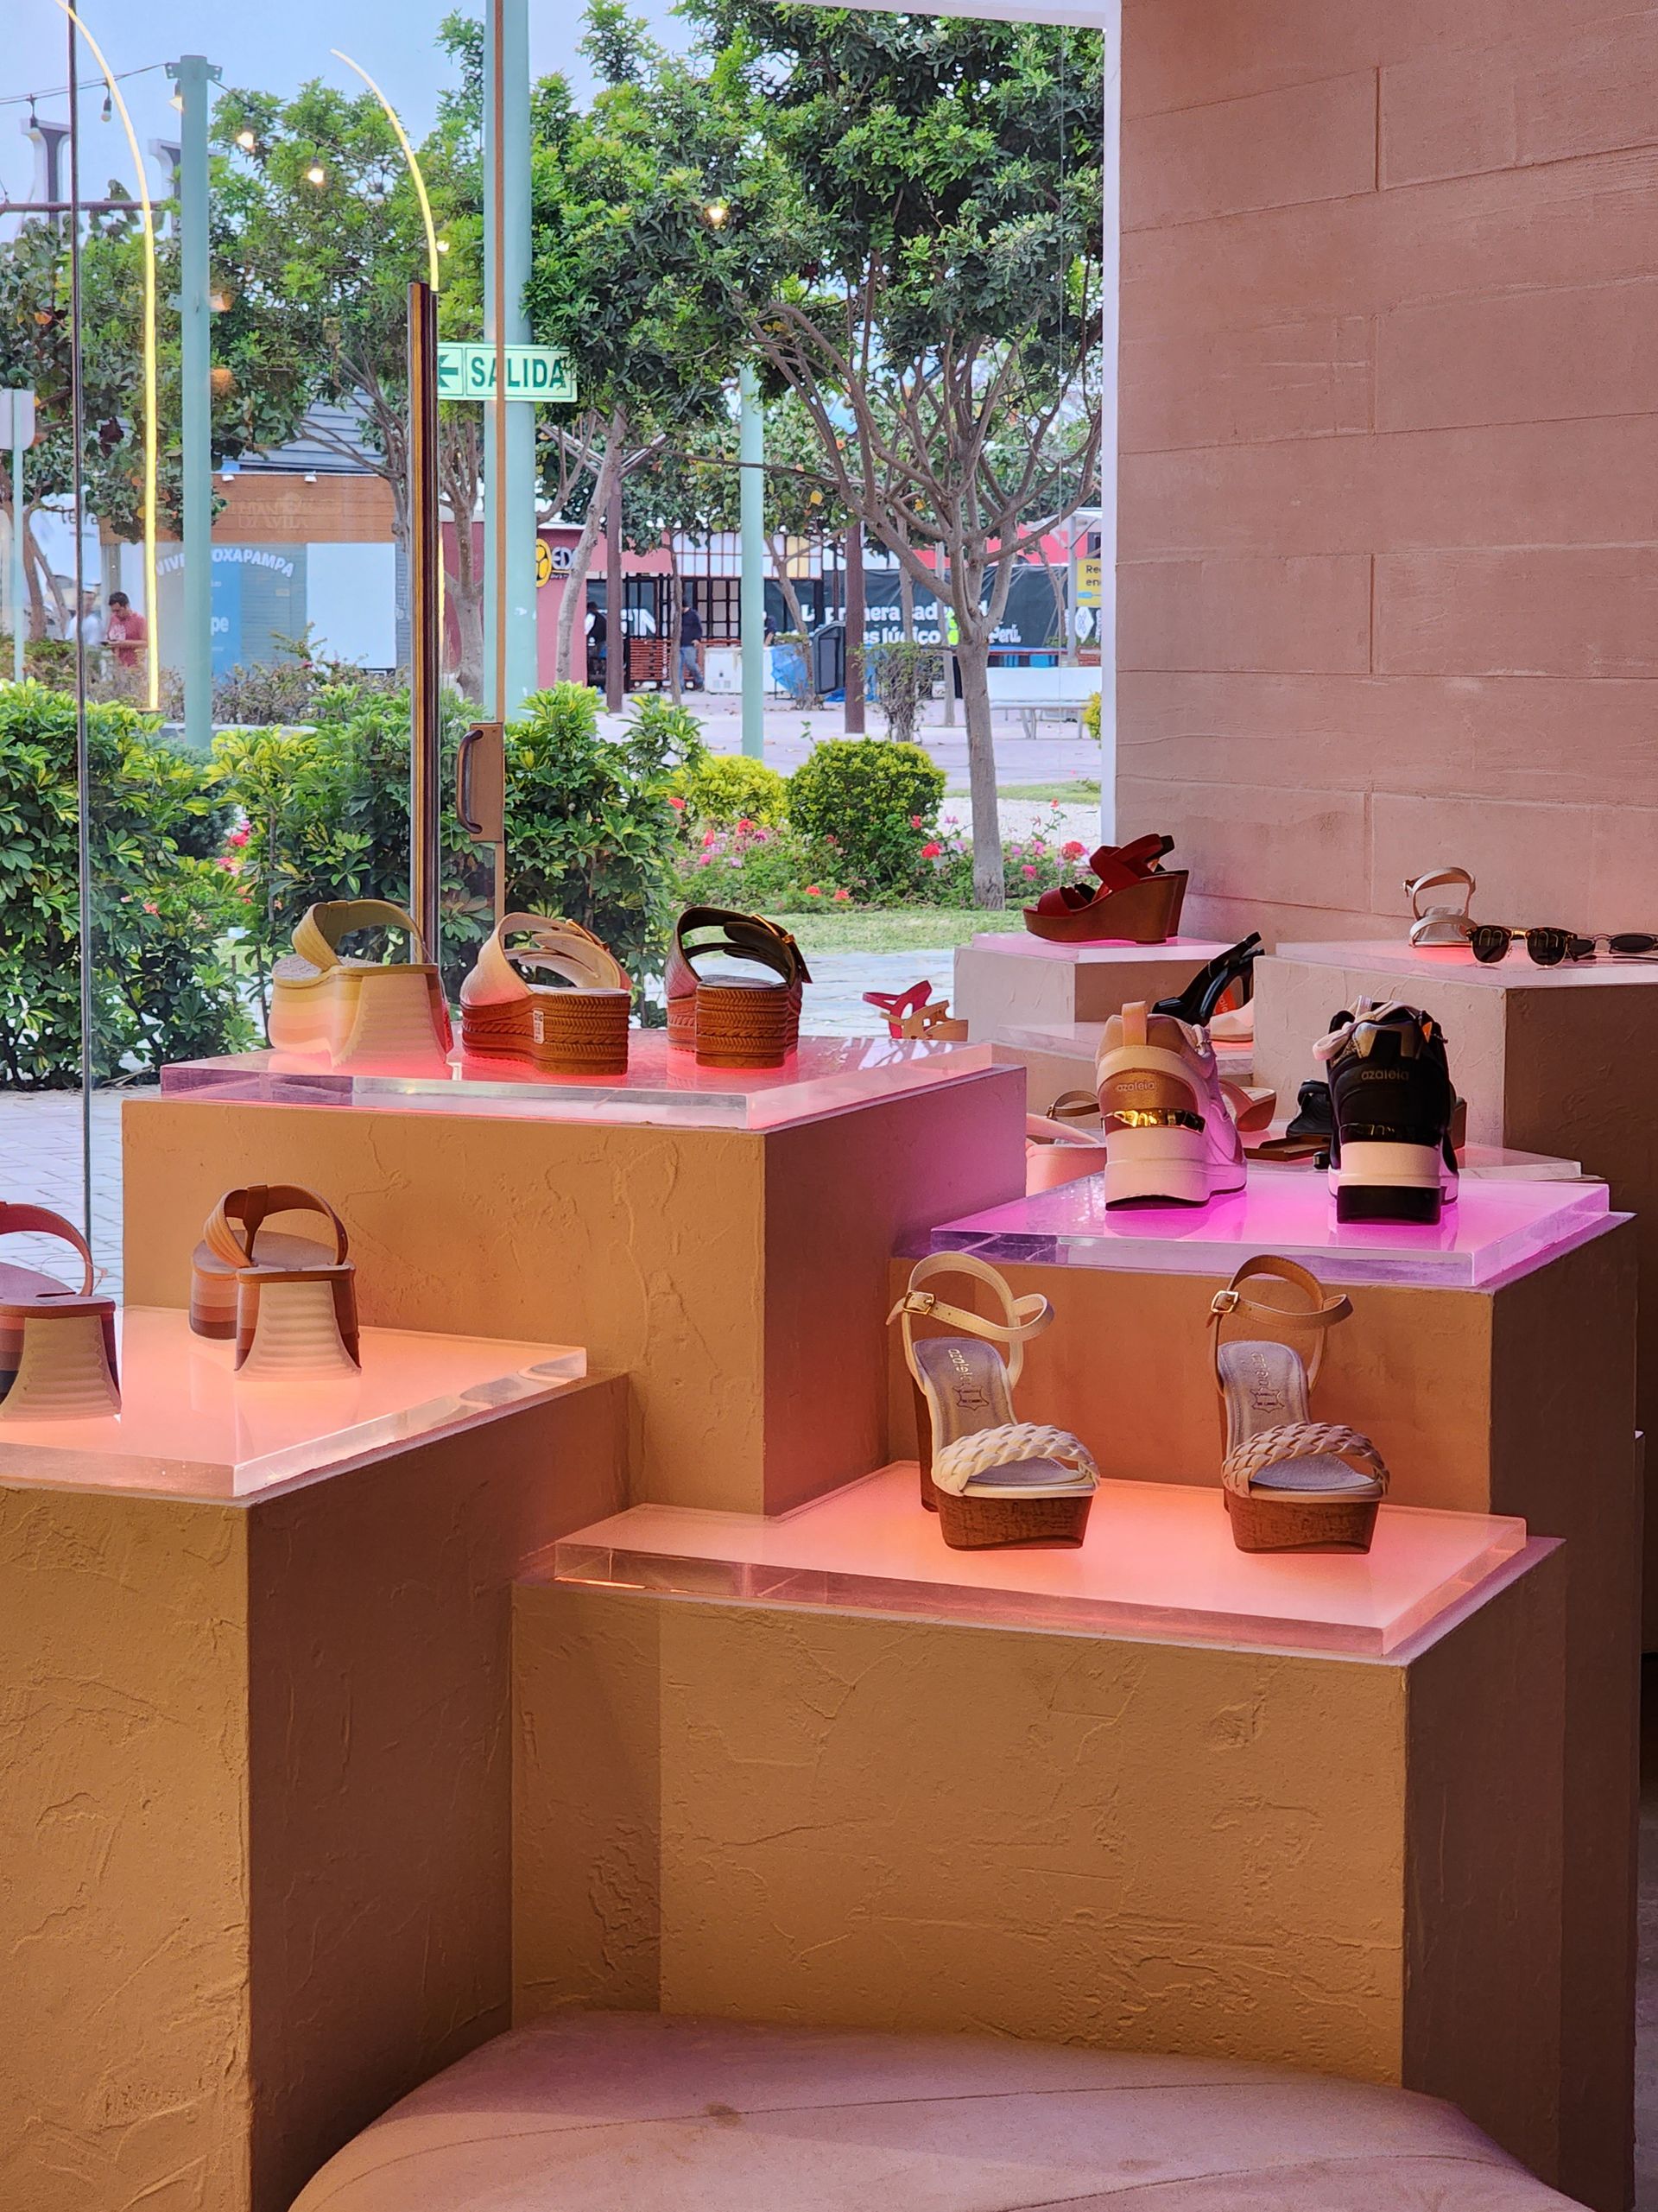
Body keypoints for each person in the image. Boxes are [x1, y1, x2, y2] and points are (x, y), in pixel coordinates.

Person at [105, 591, 146, 671]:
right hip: (118, 665)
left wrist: (124, 643)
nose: (116, 614)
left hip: (134, 665)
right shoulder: (113, 618)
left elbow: (146, 642)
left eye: (118, 611)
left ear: (127, 606)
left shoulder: (139, 620)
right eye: (113, 611)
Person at [679, 596, 704, 690]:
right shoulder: (678, 616)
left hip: (689, 644)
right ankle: (680, 688)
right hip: (679, 644)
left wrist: (697, 639)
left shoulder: (693, 615)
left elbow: (698, 628)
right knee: (677, 668)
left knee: (691, 664)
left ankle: (700, 681)